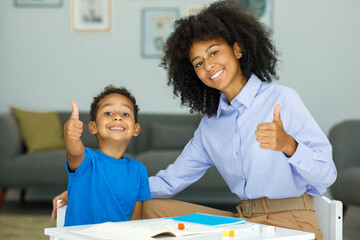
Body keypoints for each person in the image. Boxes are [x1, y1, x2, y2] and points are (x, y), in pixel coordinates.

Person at [52, 1, 336, 238]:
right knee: (146, 209)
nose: (208, 66)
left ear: (237, 50)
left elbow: (326, 176)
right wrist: (91, 185)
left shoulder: (282, 99)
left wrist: (289, 145)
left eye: (214, 52)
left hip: (291, 224)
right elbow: (171, 180)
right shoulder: (211, 124)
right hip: (242, 224)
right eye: (198, 62)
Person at [61, 85, 151, 226]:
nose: (117, 117)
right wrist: (70, 134)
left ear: (136, 129)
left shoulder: (139, 170)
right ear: (93, 127)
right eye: (108, 113)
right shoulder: (86, 160)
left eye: (125, 114)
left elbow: (136, 221)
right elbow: (74, 151)